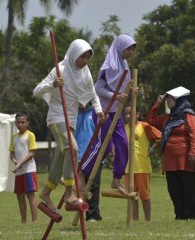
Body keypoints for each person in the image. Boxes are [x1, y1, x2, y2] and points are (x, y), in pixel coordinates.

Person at [33, 39, 104, 211]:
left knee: (61, 155)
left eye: (87, 58)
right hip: (57, 117)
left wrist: (99, 110)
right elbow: (36, 91)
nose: (84, 61)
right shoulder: (60, 69)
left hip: (71, 119)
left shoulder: (85, 72)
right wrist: (53, 84)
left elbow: (92, 93)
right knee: (73, 148)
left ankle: (46, 192)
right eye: (82, 57)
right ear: (73, 55)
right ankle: (68, 192)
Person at [80, 34, 136, 194]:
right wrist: (115, 96)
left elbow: (121, 87)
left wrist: (131, 91)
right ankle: (82, 171)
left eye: (132, 49)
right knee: (103, 148)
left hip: (116, 112)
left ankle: (116, 179)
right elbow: (98, 89)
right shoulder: (109, 66)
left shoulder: (124, 66)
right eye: (128, 49)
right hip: (103, 111)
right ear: (120, 48)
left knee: (123, 144)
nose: (130, 52)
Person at [146, 86, 195, 220]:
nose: (168, 101)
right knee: (174, 189)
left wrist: (193, 151)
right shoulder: (168, 118)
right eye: (167, 98)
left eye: (171, 98)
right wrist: (157, 103)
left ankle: (191, 216)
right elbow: (150, 120)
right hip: (170, 160)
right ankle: (180, 215)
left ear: (180, 100)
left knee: (188, 189)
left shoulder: (188, 114)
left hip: (186, 158)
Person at [124, 106, 161, 221]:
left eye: (131, 113)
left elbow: (160, 136)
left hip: (142, 167)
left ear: (138, 114)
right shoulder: (123, 128)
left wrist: (152, 148)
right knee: (132, 195)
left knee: (144, 195)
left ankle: (147, 219)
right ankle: (135, 220)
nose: (128, 116)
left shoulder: (144, 126)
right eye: (126, 114)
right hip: (127, 168)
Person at [75, 103, 103, 221]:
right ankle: (81, 212)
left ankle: (93, 215)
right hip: (77, 155)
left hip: (94, 155)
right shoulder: (73, 114)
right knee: (79, 187)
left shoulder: (96, 113)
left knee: (93, 186)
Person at [9, 112, 38, 223]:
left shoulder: (30, 135)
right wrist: (15, 161)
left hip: (29, 169)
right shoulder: (14, 137)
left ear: (27, 123)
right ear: (16, 124)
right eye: (18, 122)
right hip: (19, 171)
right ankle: (23, 221)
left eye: (23, 122)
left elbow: (32, 152)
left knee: (30, 195)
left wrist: (20, 163)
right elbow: (11, 153)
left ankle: (34, 220)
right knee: (20, 196)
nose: (20, 124)